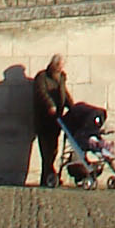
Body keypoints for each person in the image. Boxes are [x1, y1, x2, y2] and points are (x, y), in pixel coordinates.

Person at [32, 55, 71, 189]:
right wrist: (50, 105)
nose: (60, 68)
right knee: (45, 150)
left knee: (54, 150)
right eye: (59, 66)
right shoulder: (42, 77)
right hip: (43, 119)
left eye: (62, 66)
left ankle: (48, 177)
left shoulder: (61, 77)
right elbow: (41, 92)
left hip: (56, 120)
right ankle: (49, 176)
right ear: (53, 65)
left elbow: (64, 94)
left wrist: (73, 107)